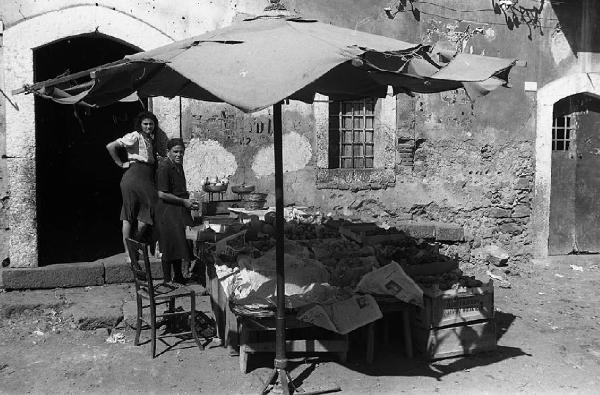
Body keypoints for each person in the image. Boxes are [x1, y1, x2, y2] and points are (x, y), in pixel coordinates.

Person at [106, 111, 159, 261]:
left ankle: (133, 244)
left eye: (151, 124)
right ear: (140, 125)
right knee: (129, 215)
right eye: (145, 124)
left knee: (146, 216)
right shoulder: (134, 135)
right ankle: (129, 252)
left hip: (147, 177)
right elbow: (111, 146)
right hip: (134, 175)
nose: (148, 126)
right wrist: (120, 163)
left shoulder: (149, 139)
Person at [155, 138, 198, 284]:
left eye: (181, 152)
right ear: (168, 152)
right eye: (176, 152)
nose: (179, 155)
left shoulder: (178, 166)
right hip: (167, 211)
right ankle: (167, 280)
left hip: (178, 209)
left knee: (178, 243)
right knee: (168, 246)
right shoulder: (164, 167)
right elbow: (162, 193)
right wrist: (183, 202)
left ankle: (178, 276)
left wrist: (188, 202)